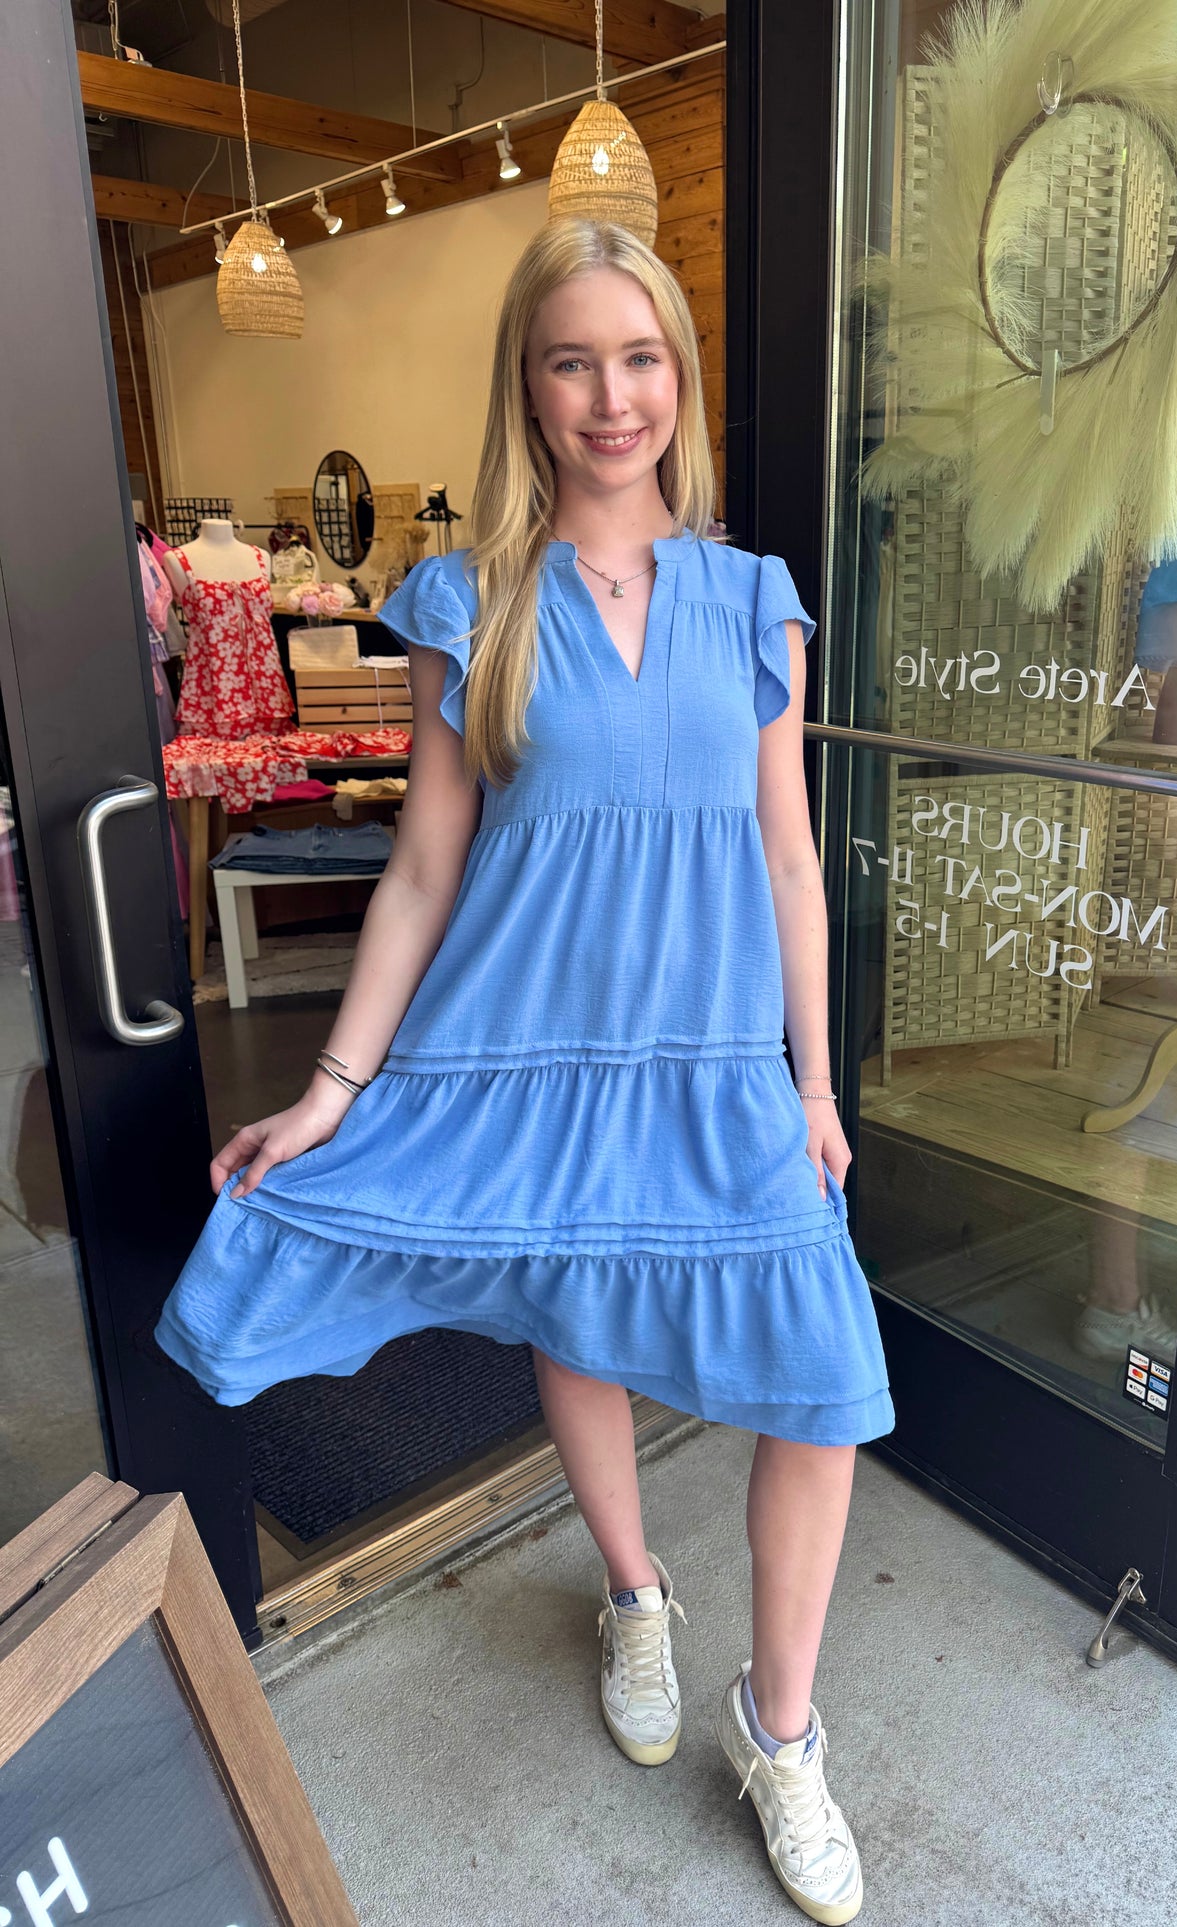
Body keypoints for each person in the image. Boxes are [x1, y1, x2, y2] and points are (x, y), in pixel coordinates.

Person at [154, 215, 893, 1924]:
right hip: (518, 1055)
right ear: (529, 387)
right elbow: (424, 869)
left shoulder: (753, 602)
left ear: (677, 378)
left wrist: (812, 1088)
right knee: (572, 1322)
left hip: (713, 1068)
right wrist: (333, 1089)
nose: (610, 396)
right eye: (573, 361)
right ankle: (634, 1595)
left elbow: (789, 861)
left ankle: (781, 1730)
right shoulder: (467, 601)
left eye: (639, 358)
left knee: (820, 1390)